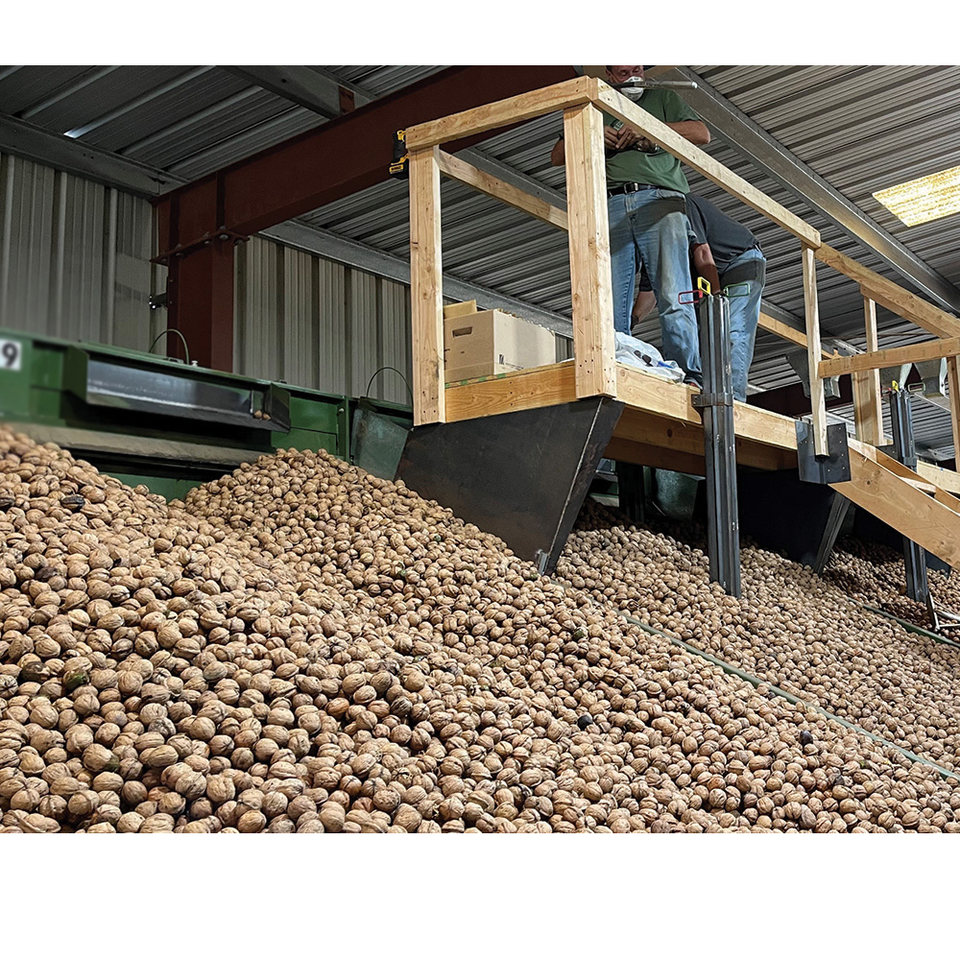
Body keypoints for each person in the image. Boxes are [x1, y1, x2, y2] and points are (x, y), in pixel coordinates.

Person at [550, 64, 710, 386]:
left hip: (660, 198)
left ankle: (689, 375)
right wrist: (593, 132)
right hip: (610, 202)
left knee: (673, 289)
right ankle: (616, 367)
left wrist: (649, 130)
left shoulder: (662, 97)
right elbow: (557, 155)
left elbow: (702, 133)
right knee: (608, 298)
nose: (633, 76)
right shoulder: (598, 104)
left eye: (637, 68)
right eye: (624, 72)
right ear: (610, 75)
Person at [632, 193, 766, 401]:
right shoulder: (653, 239)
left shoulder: (680, 205)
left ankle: (734, 399)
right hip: (706, 275)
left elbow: (703, 254)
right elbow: (649, 293)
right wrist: (632, 320)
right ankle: (705, 389)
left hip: (739, 261)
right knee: (704, 337)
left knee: (733, 332)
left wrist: (716, 299)